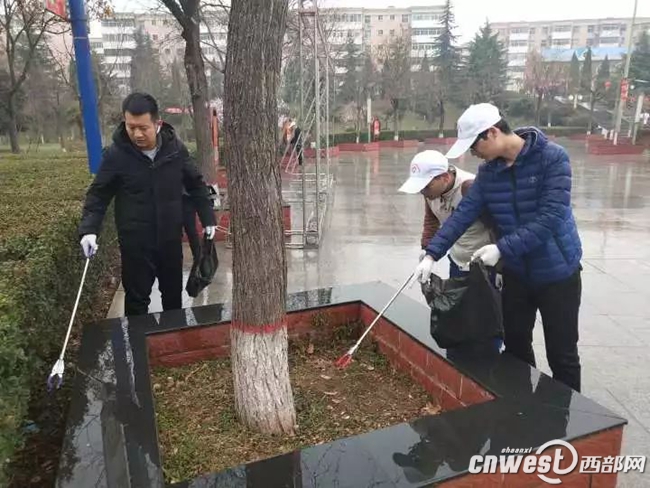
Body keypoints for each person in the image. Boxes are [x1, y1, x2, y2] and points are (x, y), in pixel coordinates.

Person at [413, 103, 583, 392]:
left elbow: (551, 217)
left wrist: (502, 248)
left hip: (557, 273)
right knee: (515, 347)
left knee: (562, 354)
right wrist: (432, 253)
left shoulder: (552, 158)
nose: (473, 153)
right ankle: (521, 407)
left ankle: (567, 416)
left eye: (474, 146)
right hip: (516, 273)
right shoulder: (489, 172)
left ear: (491, 133)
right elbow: (463, 214)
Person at [78, 92, 216, 316]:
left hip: (170, 240)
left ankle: (172, 337)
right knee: (136, 301)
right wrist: (89, 230)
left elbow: (196, 184)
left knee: (172, 299)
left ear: (157, 124)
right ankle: (137, 337)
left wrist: (208, 218)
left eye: (143, 128)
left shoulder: (175, 150)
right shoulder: (117, 155)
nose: (137, 134)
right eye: (131, 127)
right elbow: (98, 195)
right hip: (135, 245)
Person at [398, 150, 502, 354]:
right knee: (460, 315)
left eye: (426, 186)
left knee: (487, 319)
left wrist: (500, 266)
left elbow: (497, 226)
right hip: (457, 259)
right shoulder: (430, 192)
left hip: (484, 264)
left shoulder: (469, 187)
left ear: (445, 178)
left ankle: (490, 361)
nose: (423, 192)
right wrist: (427, 251)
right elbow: (431, 221)